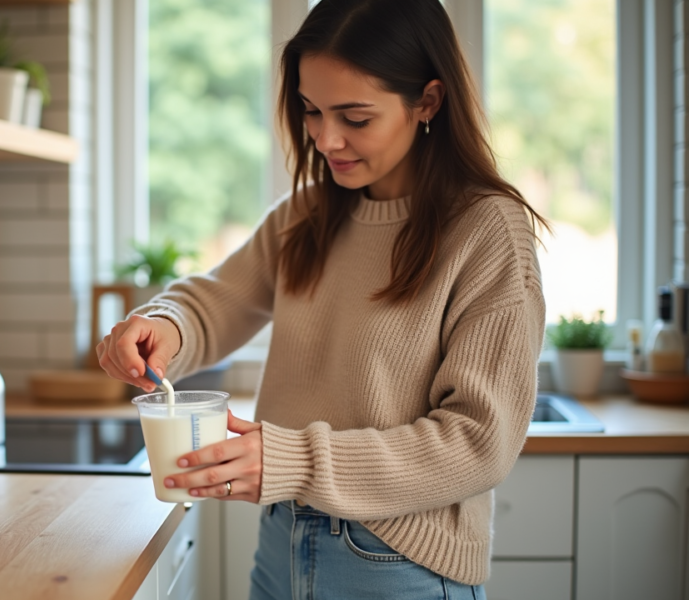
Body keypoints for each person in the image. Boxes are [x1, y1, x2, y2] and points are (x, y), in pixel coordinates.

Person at [96, 0, 547, 597]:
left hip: (396, 564)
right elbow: (214, 303)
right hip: (282, 541)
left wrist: (294, 460)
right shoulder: (308, 215)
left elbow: (478, 441)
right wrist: (161, 325)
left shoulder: (486, 229)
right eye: (311, 111)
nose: (327, 138)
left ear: (428, 102)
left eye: (355, 118)